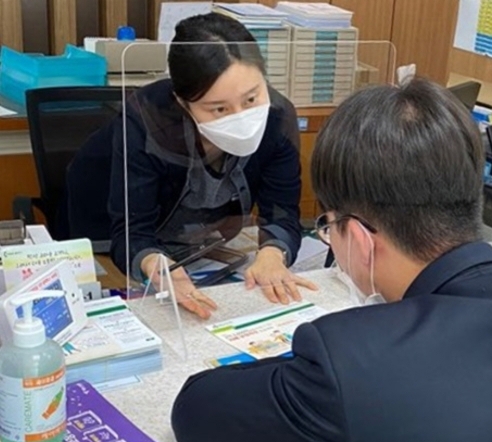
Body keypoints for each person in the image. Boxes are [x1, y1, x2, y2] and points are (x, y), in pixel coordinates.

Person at [170, 78, 492, 442]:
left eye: (328, 228)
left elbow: (195, 415)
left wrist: (319, 362)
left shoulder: (352, 360)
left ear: (357, 235)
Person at [68, 13, 316, 319]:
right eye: (219, 109)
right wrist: (152, 263)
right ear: (183, 103)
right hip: (106, 238)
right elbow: (131, 232)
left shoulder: (277, 119)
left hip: (201, 247)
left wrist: (273, 252)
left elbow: (283, 212)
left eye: (251, 98)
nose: (240, 116)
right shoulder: (147, 123)